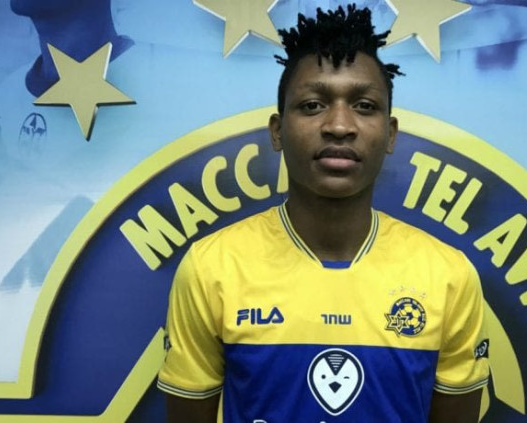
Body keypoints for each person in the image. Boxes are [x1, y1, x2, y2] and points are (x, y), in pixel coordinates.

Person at [157, 5, 490, 422]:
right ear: (277, 131)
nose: (339, 125)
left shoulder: (448, 275)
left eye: (364, 106)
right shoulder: (212, 267)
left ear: (390, 134)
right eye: (313, 105)